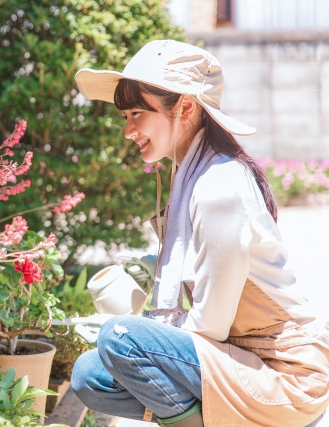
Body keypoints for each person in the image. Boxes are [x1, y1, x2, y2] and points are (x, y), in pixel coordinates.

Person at [70, 39, 329, 427]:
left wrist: (148, 332)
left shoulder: (218, 185)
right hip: (238, 360)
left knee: (120, 336)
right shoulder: (193, 173)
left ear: (185, 107)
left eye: (137, 113)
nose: (128, 130)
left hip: (286, 377)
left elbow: (210, 325)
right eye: (125, 116)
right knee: (90, 374)